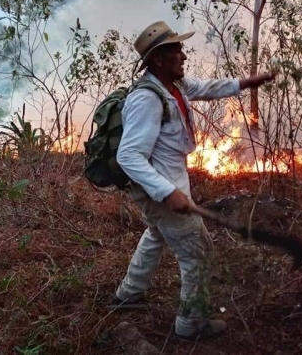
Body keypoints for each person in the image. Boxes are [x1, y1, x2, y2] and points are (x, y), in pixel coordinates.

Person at [114, 21, 276, 339]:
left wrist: (246, 82)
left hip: (165, 188)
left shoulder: (174, 86)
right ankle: (192, 324)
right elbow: (128, 156)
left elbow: (206, 88)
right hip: (160, 192)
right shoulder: (147, 99)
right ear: (159, 59)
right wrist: (167, 192)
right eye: (176, 50)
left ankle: (127, 295)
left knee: (156, 234)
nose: (183, 55)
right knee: (199, 251)